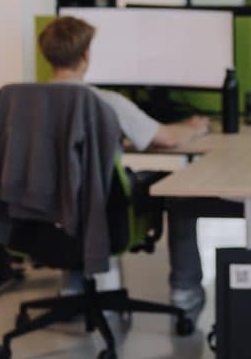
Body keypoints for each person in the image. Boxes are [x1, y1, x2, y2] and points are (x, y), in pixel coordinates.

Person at [37, 16, 211, 326]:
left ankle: (74, 284)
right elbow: (167, 138)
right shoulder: (104, 101)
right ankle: (185, 293)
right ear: (87, 55)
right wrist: (194, 128)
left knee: (69, 186)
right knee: (181, 194)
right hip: (105, 212)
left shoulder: (22, 103)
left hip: (43, 215)